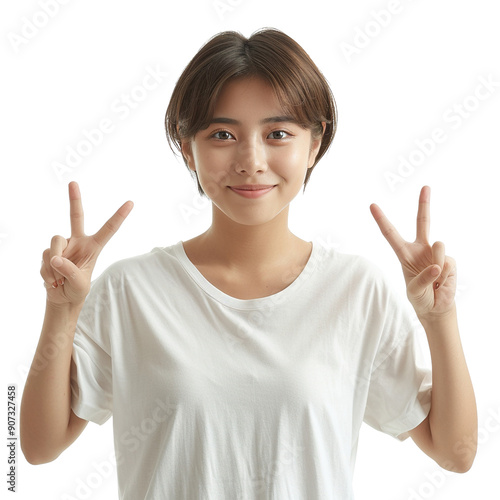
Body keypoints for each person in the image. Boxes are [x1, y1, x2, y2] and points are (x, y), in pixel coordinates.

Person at [20, 27, 477, 499]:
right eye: (222, 134)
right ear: (186, 146)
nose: (251, 160)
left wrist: (439, 319)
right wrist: (61, 308)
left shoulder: (356, 290)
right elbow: (38, 447)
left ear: (314, 144)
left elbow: (456, 453)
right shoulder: (131, 289)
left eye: (278, 133)